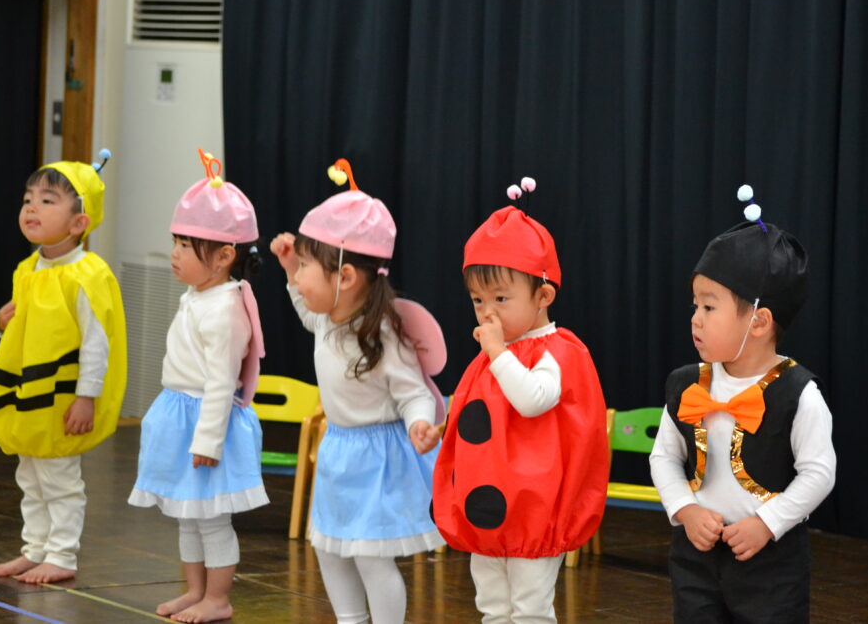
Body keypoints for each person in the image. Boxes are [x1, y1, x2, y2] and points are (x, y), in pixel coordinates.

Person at [270, 159, 446, 624]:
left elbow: (413, 393)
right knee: (329, 547)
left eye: (306, 265)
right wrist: (289, 270)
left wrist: (420, 423)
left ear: (345, 277)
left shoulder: (383, 334)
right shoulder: (327, 319)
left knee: (370, 555)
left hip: (377, 459)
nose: (300, 276)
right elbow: (304, 308)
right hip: (339, 450)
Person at [649, 186, 836, 622]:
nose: (695, 318)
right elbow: (664, 457)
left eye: (709, 307)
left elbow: (819, 472)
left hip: (770, 563)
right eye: (695, 305)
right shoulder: (686, 384)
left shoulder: (798, 393)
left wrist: (767, 523)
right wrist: (685, 509)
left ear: (760, 321)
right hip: (696, 556)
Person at [432, 178, 609, 624]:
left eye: (501, 298)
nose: (487, 311)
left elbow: (532, 400)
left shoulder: (558, 351)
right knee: (492, 606)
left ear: (543, 296)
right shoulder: (496, 355)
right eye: (478, 300)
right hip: (490, 511)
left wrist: (497, 353)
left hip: (533, 513)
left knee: (530, 608)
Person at [128, 150, 267, 624]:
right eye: (175, 242)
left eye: (186, 246)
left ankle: (218, 598)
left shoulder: (225, 309)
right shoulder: (199, 295)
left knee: (211, 519)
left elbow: (221, 383)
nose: (175, 254)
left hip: (207, 422)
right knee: (187, 515)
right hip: (180, 414)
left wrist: (208, 441)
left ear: (225, 256)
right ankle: (195, 590)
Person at [0, 151, 127, 584]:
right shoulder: (28, 268)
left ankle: (62, 554)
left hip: (61, 400)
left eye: (47, 201)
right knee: (30, 475)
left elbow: (97, 343)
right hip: (30, 396)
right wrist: (1, 324)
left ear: (79, 222)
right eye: (28, 199)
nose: (32, 208)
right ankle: (35, 548)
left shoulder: (87, 274)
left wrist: (86, 397)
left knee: (59, 478)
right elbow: (24, 330)